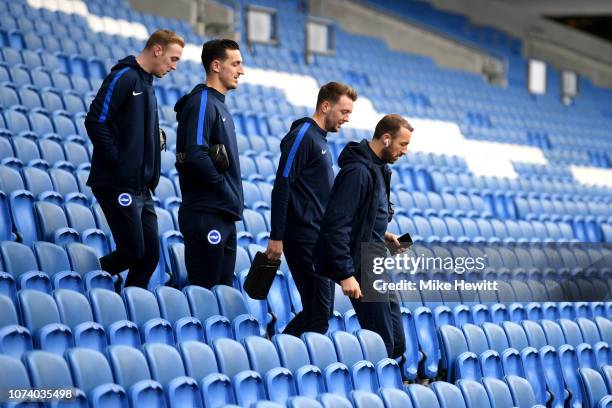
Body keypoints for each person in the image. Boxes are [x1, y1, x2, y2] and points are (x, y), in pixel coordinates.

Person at [85, 29, 184, 290]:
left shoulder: (147, 83)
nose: (174, 66)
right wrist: (120, 161)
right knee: (132, 251)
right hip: (118, 183)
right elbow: (95, 120)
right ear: (157, 50)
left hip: (141, 186)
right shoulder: (124, 76)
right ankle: (81, 281)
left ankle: (127, 305)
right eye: (173, 59)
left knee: (150, 256)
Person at [315, 114, 413, 358]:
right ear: (387, 139)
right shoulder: (357, 172)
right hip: (361, 267)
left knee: (398, 344)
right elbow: (336, 225)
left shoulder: (379, 169)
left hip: (375, 258)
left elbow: (364, 217)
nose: (406, 151)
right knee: (383, 345)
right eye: (403, 144)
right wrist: (346, 274)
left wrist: (383, 234)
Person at [265, 82, 357, 336]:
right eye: (344, 112)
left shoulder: (320, 139)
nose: (347, 119)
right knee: (318, 315)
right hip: (303, 238)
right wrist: (276, 236)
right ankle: (277, 354)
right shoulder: (303, 135)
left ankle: (281, 352)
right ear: (326, 106)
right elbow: (282, 185)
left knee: (321, 313)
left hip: (319, 240)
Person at [174, 39, 245, 289]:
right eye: (235, 63)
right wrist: (223, 188)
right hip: (206, 213)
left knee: (222, 293)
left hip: (223, 214)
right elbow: (196, 153)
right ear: (216, 65)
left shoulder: (218, 105)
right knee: (204, 292)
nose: (241, 71)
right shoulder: (202, 101)